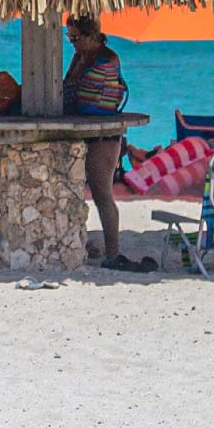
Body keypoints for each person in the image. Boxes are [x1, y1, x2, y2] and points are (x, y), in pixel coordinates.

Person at [64, 14, 150, 271]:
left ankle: (113, 252)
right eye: (69, 38)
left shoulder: (108, 60)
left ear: (92, 36)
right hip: (80, 130)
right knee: (72, 190)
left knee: (102, 192)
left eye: (76, 38)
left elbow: (84, 91)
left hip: (104, 133)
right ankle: (81, 242)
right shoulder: (79, 57)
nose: (73, 43)